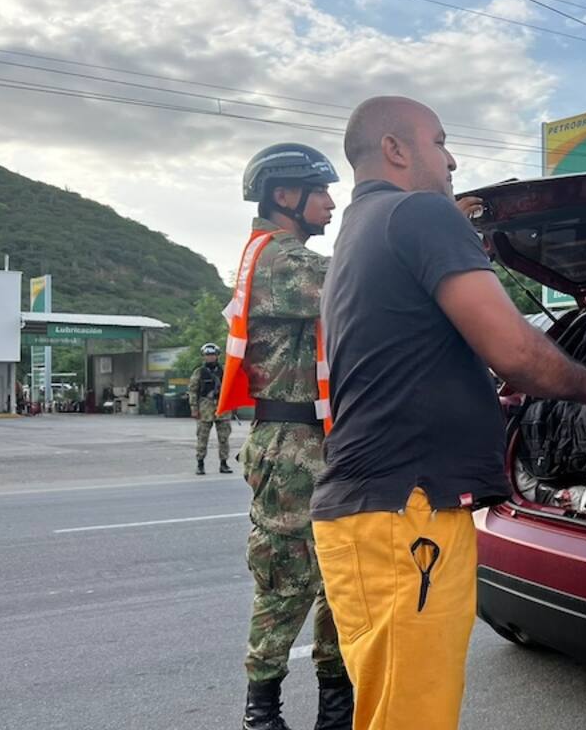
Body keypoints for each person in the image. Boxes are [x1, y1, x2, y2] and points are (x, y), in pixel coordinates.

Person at [313, 96, 586, 730]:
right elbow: (515, 351)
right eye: (440, 142)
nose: (453, 160)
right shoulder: (418, 212)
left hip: (377, 513)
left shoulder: (361, 229)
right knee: (413, 720)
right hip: (407, 514)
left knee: (392, 712)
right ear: (395, 149)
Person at [215, 142, 352, 730]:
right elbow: (359, 279)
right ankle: (262, 714)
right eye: (321, 192)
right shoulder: (278, 259)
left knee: (340, 578)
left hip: (319, 440)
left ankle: (335, 709)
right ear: (285, 194)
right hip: (291, 444)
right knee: (287, 580)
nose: (331, 204)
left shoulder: (285, 256)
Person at [188, 342, 233, 475]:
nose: (210, 357)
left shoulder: (225, 370)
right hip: (205, 408)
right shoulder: (199, 372)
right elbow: (192, 390)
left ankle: (224, 463)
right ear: (204, 356)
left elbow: (232, 387)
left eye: (213, 354)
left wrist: (232, 404)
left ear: (217, 355)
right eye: (207, 355)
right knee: (202, 438)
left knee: (224, 438)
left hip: (222, 408)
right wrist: (194, 408)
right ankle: (200, 464)